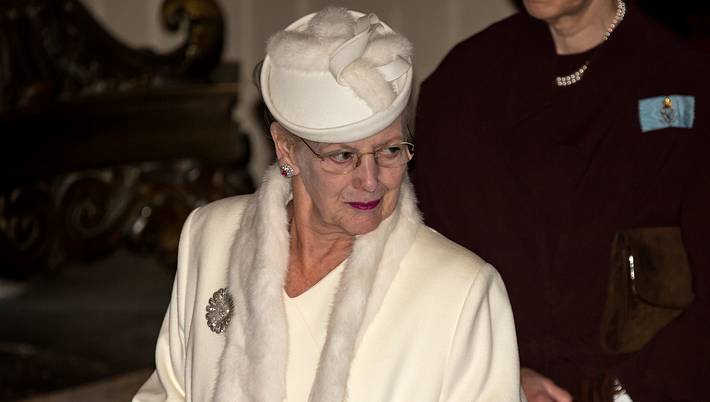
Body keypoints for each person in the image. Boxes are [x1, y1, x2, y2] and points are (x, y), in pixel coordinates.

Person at [133, 7, 524, 402]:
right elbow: (170, 392)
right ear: (287, 150)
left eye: (389, 150)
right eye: (343, 156)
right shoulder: (211, 235)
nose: (371, 180)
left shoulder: (461, 290)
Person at [413, 0, 710, 401]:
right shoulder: (463, 83)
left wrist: (623, 392)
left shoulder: (684, 81)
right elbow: (423, 254)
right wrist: (502, 373)